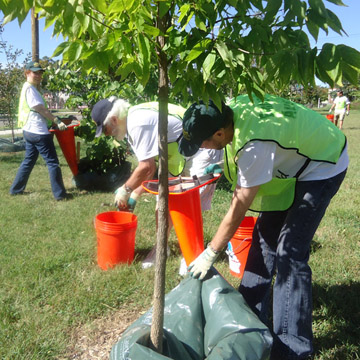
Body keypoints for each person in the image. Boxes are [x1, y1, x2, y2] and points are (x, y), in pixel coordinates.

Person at [178, 95, 348, 360]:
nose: (202, 148)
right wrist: (222, 165)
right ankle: (247, 323)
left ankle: (292, 350)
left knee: (289, 254)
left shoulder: (255, 144)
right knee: (263, 240)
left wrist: (211, 251)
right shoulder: (232, 109)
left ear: (221, 132)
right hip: (296, 161)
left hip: (324, 163)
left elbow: (239, 207)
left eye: (204, 143)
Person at [91, 97, 223, 269]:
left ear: (114, 119)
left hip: (203, 147)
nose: (108, 135)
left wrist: (125, 189)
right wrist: (134, 195)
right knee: (163, 202)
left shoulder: (137, 124)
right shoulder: (132, 121)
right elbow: (150, 171)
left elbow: (146, 168)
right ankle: (161, 249)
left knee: (190, 202)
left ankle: (192, 255)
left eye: (106, 130)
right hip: (180, 153)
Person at [9, 61, 70, 201]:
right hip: (38, 132)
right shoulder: (30, 89)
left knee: (28, 161)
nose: (38, 75)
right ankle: (60, 195)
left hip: (29, 131)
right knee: (53, 162)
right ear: (27, 73)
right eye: (35, 72)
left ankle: (16, 189)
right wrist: (56, 120)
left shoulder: (28, 88)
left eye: (40, 72)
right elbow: (40, 109)